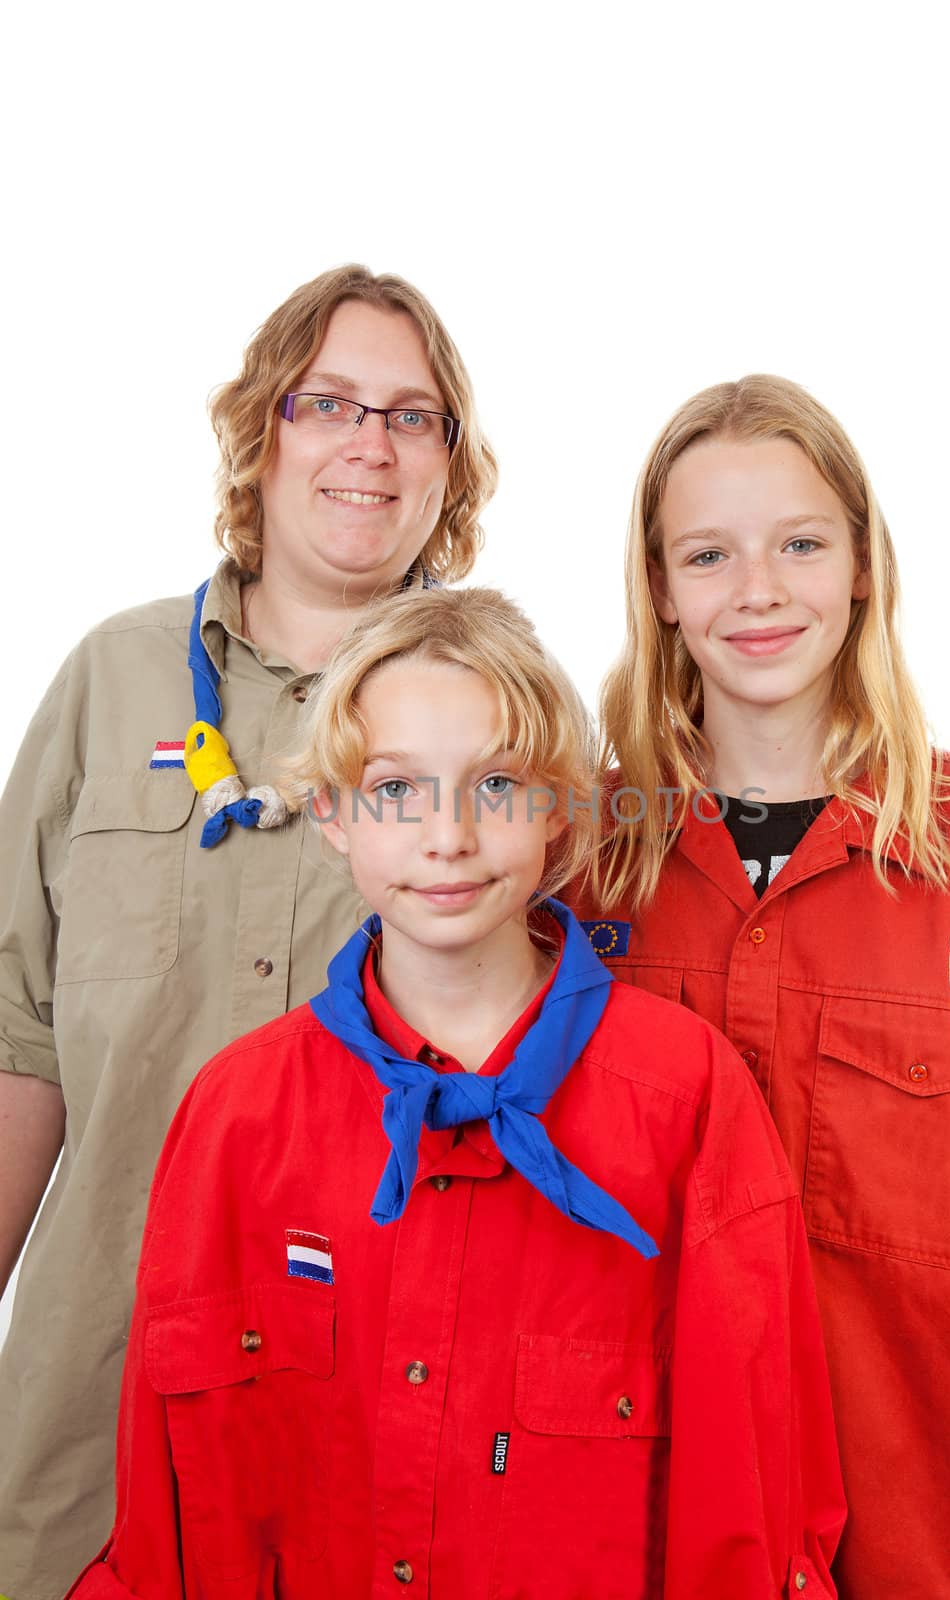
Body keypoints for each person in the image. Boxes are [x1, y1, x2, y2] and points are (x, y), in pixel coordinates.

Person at [65, 586, 844, 1599]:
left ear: (561, 809)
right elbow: (161, 1520)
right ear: (334, 814)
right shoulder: (234, 1114)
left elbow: (748, 1518)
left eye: (497, 785)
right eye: (395, 790)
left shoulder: (686, 1100)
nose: (448, 836)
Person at [0, 264, 497, 1600]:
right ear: (258, 434)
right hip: (83, 1406)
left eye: (412, 416)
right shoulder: (112, 681)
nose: (367, 443)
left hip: (363, 1410)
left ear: (451, 465)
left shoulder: (504, 724)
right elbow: (19, 1047)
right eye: (325, 401)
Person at [569, 375, 950, 1600]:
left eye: (798, 542)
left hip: (916, 1537)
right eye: (707, 553)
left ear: (857, 564)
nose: (756, 590)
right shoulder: (584, 864)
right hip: (635, 1527)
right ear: (660, 590)